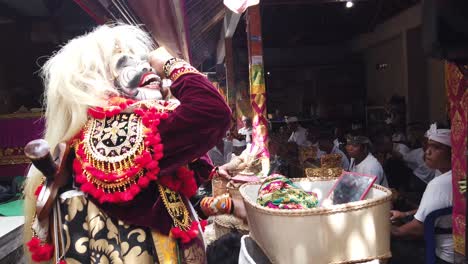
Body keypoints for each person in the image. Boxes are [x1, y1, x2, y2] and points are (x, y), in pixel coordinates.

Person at [23, 24, 234, 263]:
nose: (145, 67)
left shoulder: (125, 129)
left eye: (143, 61)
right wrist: (169, 63)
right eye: (126, 65)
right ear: (100, 83)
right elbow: (212, 110)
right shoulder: (119, 133)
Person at [391, 124, 453, 263]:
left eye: (437, 147)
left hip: (444, 256)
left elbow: (417, 229)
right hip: (456, 249)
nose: (428, 152)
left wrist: (391, 230)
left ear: (452, 152)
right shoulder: (455, 174)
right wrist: (405, 214)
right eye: (428, 146)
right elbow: (436, 211)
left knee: (391, 249)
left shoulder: (439, 184)